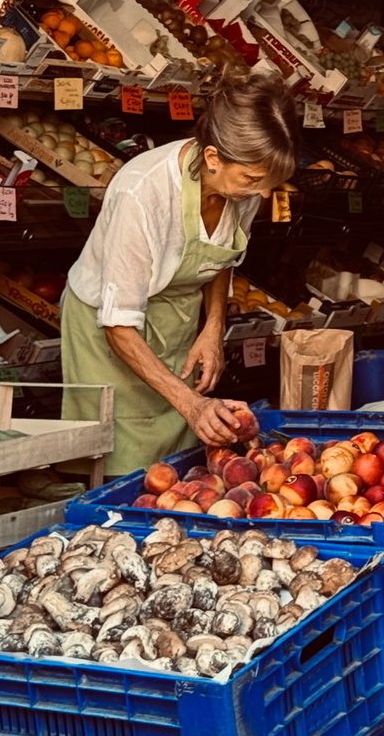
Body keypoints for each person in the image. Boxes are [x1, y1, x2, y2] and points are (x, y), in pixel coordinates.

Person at [61, 69, 300, 477]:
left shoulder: (239, 184)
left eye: (269, 183)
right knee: (123, 466)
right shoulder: (143, 194)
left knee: (180, 470)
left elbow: (221, 254)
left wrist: (213, 327)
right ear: (213, 159)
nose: (262, 194)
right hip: (110, 337)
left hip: (175, 323)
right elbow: (118, 325)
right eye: (254, 180)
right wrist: (191, 403)